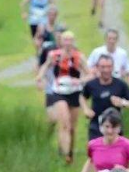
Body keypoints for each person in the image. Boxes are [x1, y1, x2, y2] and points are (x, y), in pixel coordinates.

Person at [36, 31, 90, 164]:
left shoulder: (79, 56)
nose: (68, 43)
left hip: (74, 92)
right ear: (61, 41)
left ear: (74, 41)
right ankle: (65, 153)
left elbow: (90, 74)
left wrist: (81, 80)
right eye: (65, 40)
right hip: (59, 91)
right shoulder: (54, 55)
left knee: (72, 127)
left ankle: (70, 153)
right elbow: (45, 66)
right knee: (64, 123)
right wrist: (39, 77)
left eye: (70, 40)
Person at [80, 54, 129, 141]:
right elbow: (82, 97)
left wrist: (122, 102)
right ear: (97, 67)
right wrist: (86, 109)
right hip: (96, 125)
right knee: (97, 152)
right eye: (103, 67)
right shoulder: (91, 84)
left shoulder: (120, 84)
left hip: (115, 127)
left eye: (109, 67)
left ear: (113, 67)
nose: (106, 70)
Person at [33, 5, 67, 119]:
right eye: (50, 14)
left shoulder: (70, 50)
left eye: (54, 15)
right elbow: (40, 63)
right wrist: (39, 79)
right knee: (52, 117)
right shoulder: (43, 29)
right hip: (51, 84)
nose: (52, 17)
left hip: (66, 84)